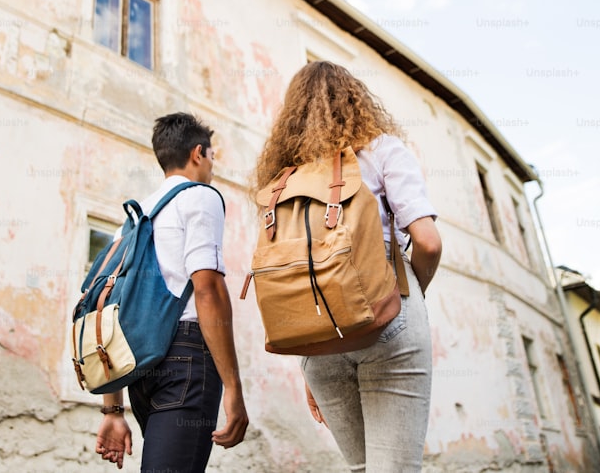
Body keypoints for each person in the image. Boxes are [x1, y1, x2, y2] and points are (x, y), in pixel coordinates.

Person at [252, 61, 442, 472]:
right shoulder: (383, 150)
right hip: (388, 317)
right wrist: (413, 291)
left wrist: (311, 360)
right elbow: (427, 241)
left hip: (317, 338)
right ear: (357, 101)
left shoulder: (282, 181)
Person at [95, 112, 248, 471]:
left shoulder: (132, 220)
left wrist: (113, 409)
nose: (212, 167)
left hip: (140, 368)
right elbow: (207, 288)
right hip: (187, 358)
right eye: (212, 157)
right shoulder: (200, 196)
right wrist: (234, 389)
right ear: (198, 153)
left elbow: (106, 308)